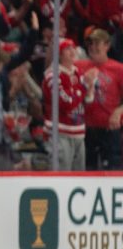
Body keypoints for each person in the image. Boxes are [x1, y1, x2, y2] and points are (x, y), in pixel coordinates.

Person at [41, 38, 96, 171]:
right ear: (59, 54)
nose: (72, 51)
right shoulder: (52, 76)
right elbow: (67, 103)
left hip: (78, 133)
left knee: (79, 178)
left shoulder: (78, 73)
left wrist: (90, 88)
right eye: (67, 49)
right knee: (61, 177)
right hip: (60, 134)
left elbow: (87, 101)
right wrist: (83, 87)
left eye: (73, 48)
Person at [75, 28, 123, 170]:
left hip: (109, 128)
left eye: (97, 43)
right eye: (90, 44)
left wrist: (119, 111)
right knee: (87, 169)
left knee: (112, 170)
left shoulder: (118, 69)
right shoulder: (79, 66)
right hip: (86, 128)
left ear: (107, 46)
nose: (93, 48)